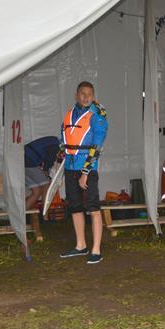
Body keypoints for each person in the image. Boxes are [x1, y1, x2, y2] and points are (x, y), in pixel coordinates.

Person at [58, 81, 108, 265]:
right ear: (76, 95)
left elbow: (97, 145)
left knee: (93, 208)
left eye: (90, 94)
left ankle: (96, 250)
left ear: (93, 96)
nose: (86, 97)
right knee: (75, 208)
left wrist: (86, 171)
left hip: (87, 169)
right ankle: (81, 246)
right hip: (70, 168)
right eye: (83, 94)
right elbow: (63, 141)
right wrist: (59, 163)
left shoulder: (97, 116)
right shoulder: (69, 115)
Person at [24, 135, 60, 241]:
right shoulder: (55, 145)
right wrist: (45, 170)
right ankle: (45, 217)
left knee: (36, 191)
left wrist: (45, 169)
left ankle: (21, 215)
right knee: (46, 185)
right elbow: (50, 158)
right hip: (29, 160)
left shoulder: (53, 141)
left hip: (23, 160)